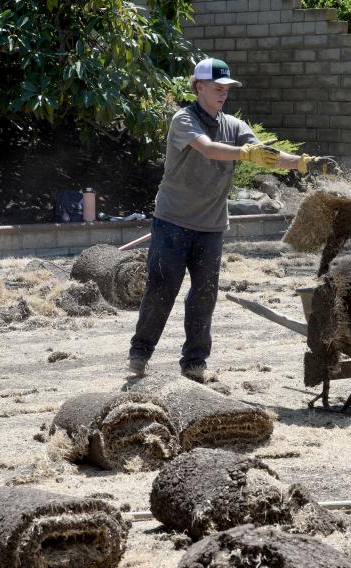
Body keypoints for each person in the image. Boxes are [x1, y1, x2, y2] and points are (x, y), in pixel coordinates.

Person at [128, 57, 336, 382]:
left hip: (210, 227)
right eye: (217, 87)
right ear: (199, 87)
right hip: (172, 222)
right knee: (161, 290)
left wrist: (303, 163)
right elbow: (209, 149)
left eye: (227, 88)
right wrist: (245, 153)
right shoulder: (184, 120)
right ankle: (140, 353)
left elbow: (264, 152)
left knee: (204, 294)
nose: (223, 93)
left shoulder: (235, 126)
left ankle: (195, 363)